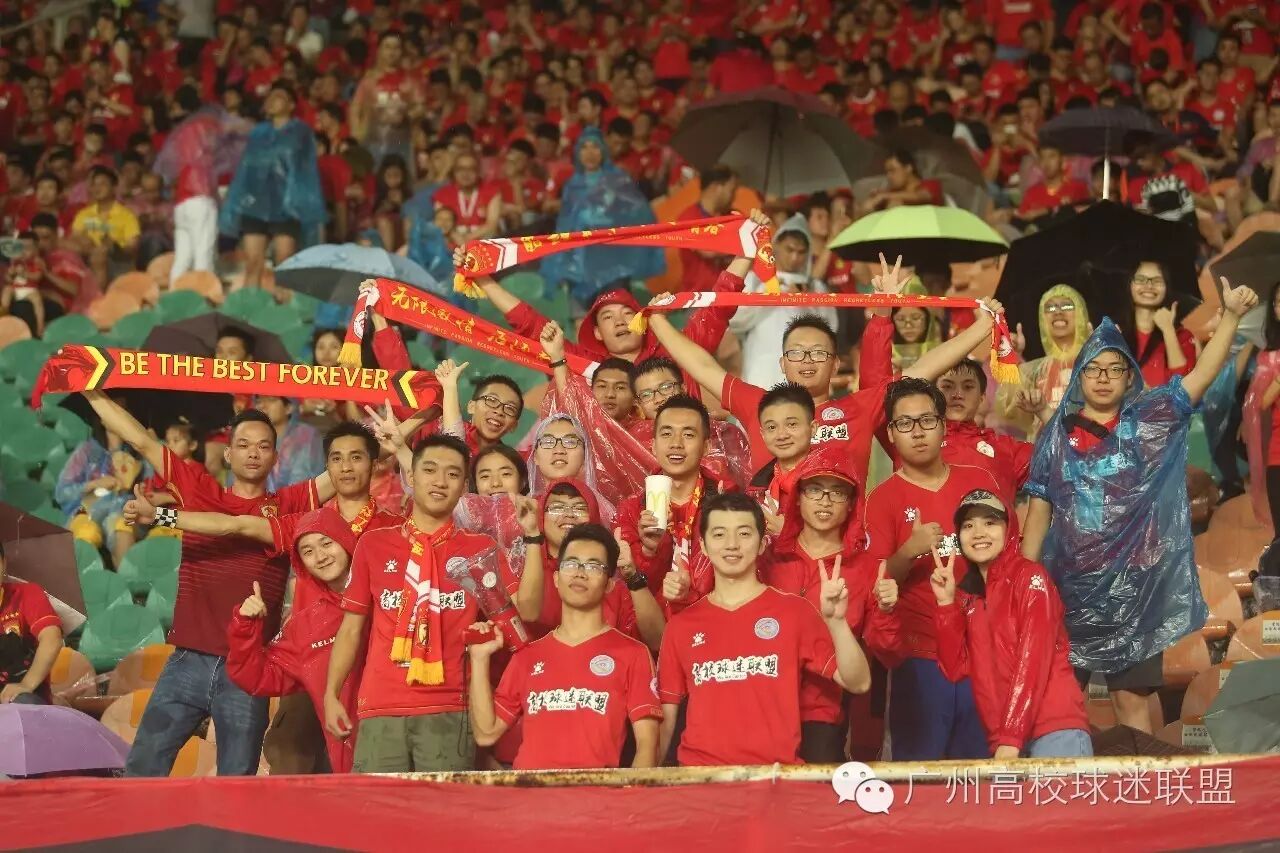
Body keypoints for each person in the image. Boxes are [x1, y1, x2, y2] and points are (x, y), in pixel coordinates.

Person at [1022, 281, 1259, 733]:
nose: (1103, 377)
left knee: (1131, 704)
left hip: (1135, 589)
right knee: (1059, 703)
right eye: (1094, 369)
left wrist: (1230, 317)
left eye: (1115, 368)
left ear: (1130, 376)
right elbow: (1038, 510)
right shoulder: (1056, 435)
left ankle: (1140, 780)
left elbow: (1199, 378)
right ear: (1080, 377)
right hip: (1068, 590)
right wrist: (1024, 582)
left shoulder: (1147, 422)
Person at [85, 393, 335, 776]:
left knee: (237, 781)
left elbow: (349, 467)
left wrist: (399, 430)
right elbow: (141, 441)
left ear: (275, 457)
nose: (253, 453)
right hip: (187, 661)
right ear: (228, 454)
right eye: (244, 445)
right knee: (142, 771)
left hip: (247, 668)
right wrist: (89, 391)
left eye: (263, 446)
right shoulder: (200, 491)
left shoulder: (291, 503)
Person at [648, 257, 1007, 486]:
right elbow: (701, 365)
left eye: (818, 353)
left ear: (835, 364)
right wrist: (658, 322)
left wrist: (983, 326)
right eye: (797, 353)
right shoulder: (757, 404)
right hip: (769, 554)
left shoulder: (859, 409)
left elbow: (925, 369)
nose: (807, 360)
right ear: (782, 363)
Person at [324, 435, 519, 773]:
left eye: (453, 474)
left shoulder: (480, 550)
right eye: (429, 470)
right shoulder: (373, 544)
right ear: (411, 477)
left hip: (451, 707)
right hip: (381, 706)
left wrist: (533, 539)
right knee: (376, 806)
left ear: (464, 487)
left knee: (442, 807)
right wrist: (331, 693)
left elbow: (518, 620)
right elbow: (351, 629)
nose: (440, 481)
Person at [656, 492, 872, 765]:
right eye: (719, 534)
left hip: (775, 777)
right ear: (704, 545)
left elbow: (858, 682)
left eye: (744, 534)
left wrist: (837, 622)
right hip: (700, 777)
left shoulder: (794, 612)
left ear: (761, 545)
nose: (732, 545)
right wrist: (651, 782)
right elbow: (667, 718)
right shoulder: (681, 626)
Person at [862, 377, 1007, 760]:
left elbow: (1008, 561)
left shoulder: (979, 482)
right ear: (891, 434)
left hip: (982, 651)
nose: (917, 432)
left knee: (979, 773)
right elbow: (877, 584)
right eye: (905, 423)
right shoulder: (882, 499)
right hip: (919, 656)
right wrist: (908, 551)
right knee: (919, 775)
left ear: (943, 426)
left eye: (927, 420)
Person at [468, 523, 662, 769]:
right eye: (571, 564)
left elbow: (648, 746)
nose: (580, 573)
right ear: (556, 578)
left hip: (595, 791)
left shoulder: (632, 654)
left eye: (593, 566)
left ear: (609, 584)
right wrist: (479, 658)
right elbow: (486, 733)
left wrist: (626, 794)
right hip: (530, 789)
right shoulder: (527, 656)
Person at [761, 444, 902, 761]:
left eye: (837, 492)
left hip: (823, 714)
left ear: (851, 503)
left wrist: (887, 610)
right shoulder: (767, 558)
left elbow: (889, 654)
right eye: (815, 489)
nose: (825, 500)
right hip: (760, 705)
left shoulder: (867, 569)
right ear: (798, 497)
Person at [930, 489, 1091, 759]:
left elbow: (1033, 658)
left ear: (1010, 530)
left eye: (990, 522)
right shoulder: (971, 598)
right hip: (1005, 739)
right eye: (968, 525)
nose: (978, 533)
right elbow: (955, 668)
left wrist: (1010, 737)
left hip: (1053, 730)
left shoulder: (1030, 578)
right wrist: (946, 604)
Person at [226, 509, 362, 773]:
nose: (320, 557)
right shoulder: (307, 625)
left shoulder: (388, 598)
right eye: (308, 552)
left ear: (346, 541)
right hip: (351, 764)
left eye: (326, 543)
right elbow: (256, 676)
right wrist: (245, 626)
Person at [526, 479, 663, 649]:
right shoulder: (529, 575)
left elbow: (657, 641)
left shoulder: (615, 589)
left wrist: (633, 575)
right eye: (557, 507)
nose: (568, 514)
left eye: (579, 508)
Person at [539, 127, 663, 307]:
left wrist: (612, 213)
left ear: (603, 150)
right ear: (578, 152)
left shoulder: (618, 180)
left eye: (595, 147)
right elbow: (564, 224)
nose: (590, 153)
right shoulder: (571, 185)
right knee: (581, 317)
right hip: (579, 262)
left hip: (612, 261)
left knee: (616, 312)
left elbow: (640, 214)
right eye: (584, 147)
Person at [616, 395, 722, 605]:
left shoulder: (726, 504)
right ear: (654, 446)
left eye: (688, 434)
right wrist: (649, 551)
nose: (676, 444)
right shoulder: (632, 509)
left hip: (712, 618)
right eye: (666, 434)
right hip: (653, 621)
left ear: (706, 447)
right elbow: (633, 594)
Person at [219, 82, 325, 287]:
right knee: (253, 263)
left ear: (291, 105)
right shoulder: (257, 133)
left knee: (285, 261)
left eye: (278, 96)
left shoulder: (301, 133)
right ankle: (251, 304)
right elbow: (245, 169)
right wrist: (238, 200)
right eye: (270, 97)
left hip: (286, 205)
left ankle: (283, 304)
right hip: (256, 203)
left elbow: (306, 171)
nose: (271, 101)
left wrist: (303, 203)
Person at [728, 213, 837, 390]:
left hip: (803, 373)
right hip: (761, 369)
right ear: (776, 246)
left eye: (801, 252)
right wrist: (768, 293)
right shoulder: (754, 280)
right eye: (789, 249)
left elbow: (831, 329)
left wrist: (807, 301)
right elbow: (734, 320)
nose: (794, 258)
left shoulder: (815, 286)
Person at [933, 359, 1033, 502]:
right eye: (947, 386)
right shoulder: (916, 440)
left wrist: (1043, 412)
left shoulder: (1005, 448)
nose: (957, 394)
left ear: (982, 397)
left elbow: (1059, 460)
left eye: (968, 387)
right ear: (933, 394)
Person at [999, 284, 1091, 440]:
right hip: (1044, 450)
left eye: (1067, 306)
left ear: (1081, 314)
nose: (1058, 312)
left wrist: (1111, 351)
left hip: (1090, 449)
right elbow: (1010, 412)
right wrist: (1012, 358)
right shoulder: (1033, 370)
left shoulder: (1096, 364)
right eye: (1050, 308)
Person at [0, 542, 64, 705]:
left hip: (23, 699)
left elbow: (52, 639)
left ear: (4, 563)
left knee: (22, 702)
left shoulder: (28, 594)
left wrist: (26, 684)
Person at [1123, 259, 1197, 389]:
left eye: (1157, 281)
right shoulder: (1116, 332)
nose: (1149, 286)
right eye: (1140, 279)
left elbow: (1184, 388)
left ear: (1167, 288)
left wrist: (1168, 330)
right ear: (1129, 285)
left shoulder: (1183, 337)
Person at [69, 165, 140, 286]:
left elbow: (133, 247)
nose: (97, 188)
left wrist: (114, 246)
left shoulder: (127, 215)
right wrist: (87, 243)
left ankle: (97, 294)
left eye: (102, 184)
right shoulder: (84, 214)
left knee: (100, 253)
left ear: (114, 188)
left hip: (117, 261)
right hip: (87, 256)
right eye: (94, 185)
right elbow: (74, 237)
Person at [677, 164, 739, 293]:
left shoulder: (735, 216)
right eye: (732, 190)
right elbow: (708, 250)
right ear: (716, 188)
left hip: (729, 292)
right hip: (697, 294)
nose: (734, 197)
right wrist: (738, 243)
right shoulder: (688, 218)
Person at [255, 395, 325, 492]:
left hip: (298, 497)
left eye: (271, 400)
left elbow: (302, 477)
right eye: (259, 401)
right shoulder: (252, 436)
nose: (262, 406)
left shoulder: (306, 435)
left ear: (289, 408)